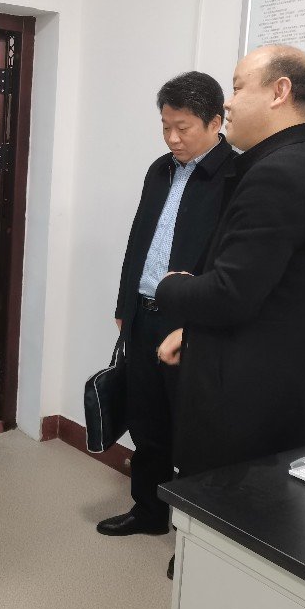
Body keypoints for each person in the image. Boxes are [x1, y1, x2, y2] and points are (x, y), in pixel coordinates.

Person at [156, 44, 305, 507]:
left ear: (279, 92)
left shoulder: (278, 175)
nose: (228, 103)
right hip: (277, 397)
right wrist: (193, 331)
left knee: (223, 527)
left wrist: (171, 286)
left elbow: (229, 294)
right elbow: (264, 290)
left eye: (238, 88)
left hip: (242, 409)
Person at [96, 72, 236, 545]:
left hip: (190, 321)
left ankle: (195, 539)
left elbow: (227, 265)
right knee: (146, 419)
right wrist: (125, 302)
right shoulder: (159, 170)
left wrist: (197, 324)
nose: (172, 138)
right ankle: (149, 510)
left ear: (215, 122)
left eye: (183, 128)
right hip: (144, 311)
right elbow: (139, 239)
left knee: (193, 430)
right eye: (165, 126)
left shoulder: (235, 177)